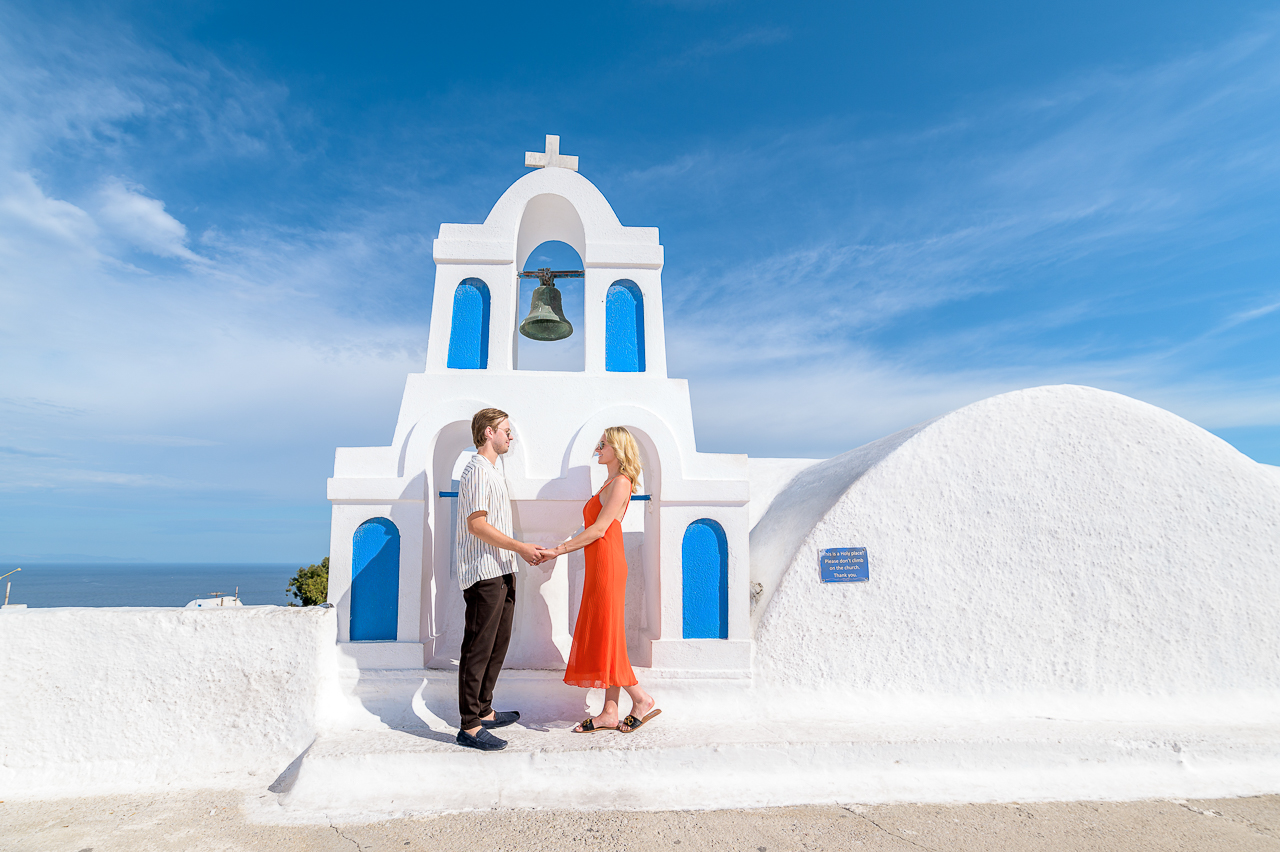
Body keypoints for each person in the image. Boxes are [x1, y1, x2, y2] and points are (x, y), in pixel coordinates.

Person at [544, 426, 661, 734]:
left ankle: (640, 698)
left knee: (606, 634)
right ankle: (610, 711)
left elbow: (598, 530)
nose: (598, 447)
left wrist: (559, 549)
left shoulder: (621, 482)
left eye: (604, 443)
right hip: (599, 562)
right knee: (607, 635)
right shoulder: (609, 482)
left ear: (618, 450)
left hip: (608, 562)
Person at [454, 407, 546, 751]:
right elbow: (476, 525)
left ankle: (485, 710)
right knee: (478, 647)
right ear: (488, 432)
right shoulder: (476, 471)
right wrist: (520, 546)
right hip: (483, 572)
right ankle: (469, 726)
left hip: (502, 569)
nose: (511, 436)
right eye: (506, 430)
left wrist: (514, 555)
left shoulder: (493, 471)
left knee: (497, 644)